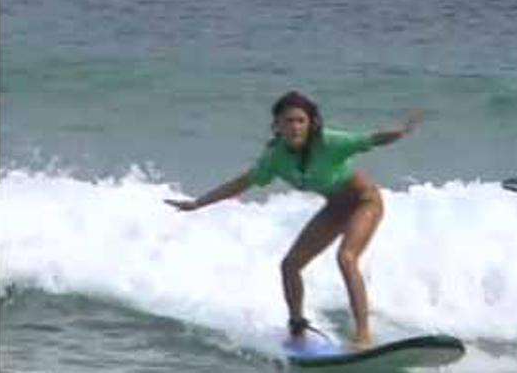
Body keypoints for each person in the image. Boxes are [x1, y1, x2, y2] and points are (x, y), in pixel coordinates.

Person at [165, 91, 422, 349]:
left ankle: (363, 335)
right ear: (277, 125)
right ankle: (297, 328)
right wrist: (198, 203)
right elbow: (241, 183)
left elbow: (371, 139)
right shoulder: (275, 158)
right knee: (290, 265)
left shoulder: (330, 142)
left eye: (301, 120)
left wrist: (401, 132)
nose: (295, 126)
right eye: (288, 121)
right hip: (336, 208)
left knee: (346, 257)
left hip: (365, 202)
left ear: (311, 123)